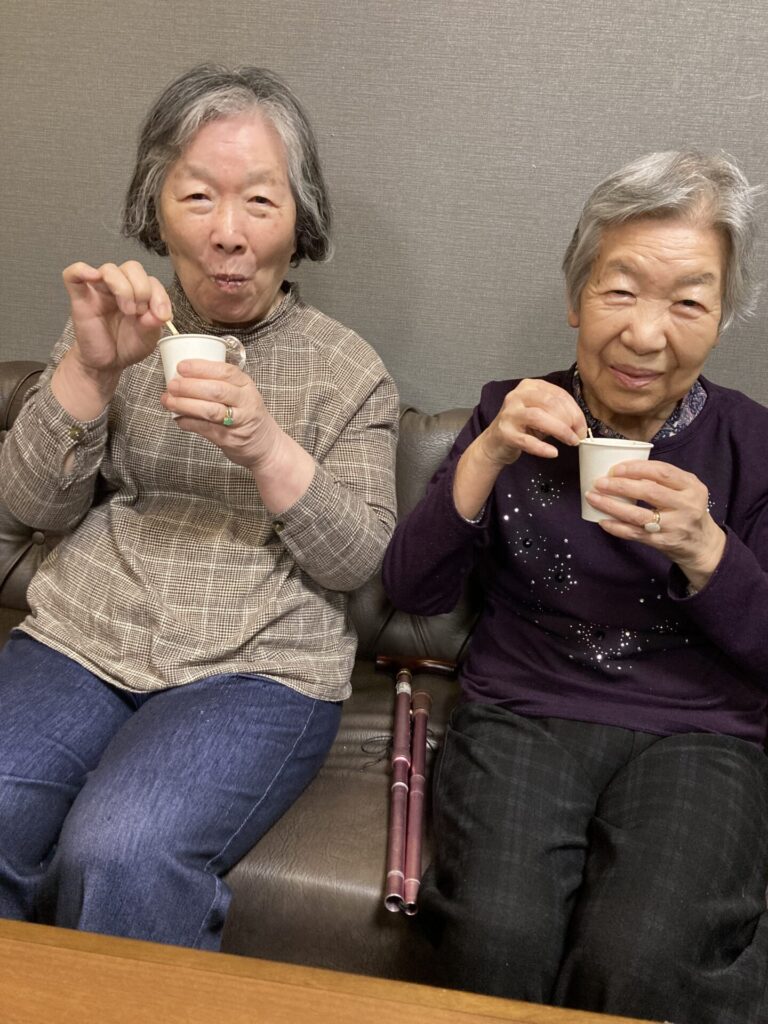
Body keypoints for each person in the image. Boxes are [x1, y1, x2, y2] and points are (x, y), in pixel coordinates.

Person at [0, 64, 398, 950]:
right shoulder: (118, 326)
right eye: (197, 197)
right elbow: (31, 508)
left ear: (300, 216)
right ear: (156, 208)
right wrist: (90, 370)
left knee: (122, 849)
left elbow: (359, 561)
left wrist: (265, 446)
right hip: (84, 636)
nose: (227, 233)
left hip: (258, 665)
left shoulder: (348, 370)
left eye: (259, 200)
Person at [382, 151, 768, 1023]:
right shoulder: (511, 415)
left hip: (700, 732)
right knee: (495, 937)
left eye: (688, 303)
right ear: (576, 296)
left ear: (721, 320)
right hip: (524, 710)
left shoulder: (753, 447)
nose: (645, 335)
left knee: (642, 958)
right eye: (620, 290)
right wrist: (485, 453)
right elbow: (412, 589)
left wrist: (708, 550)